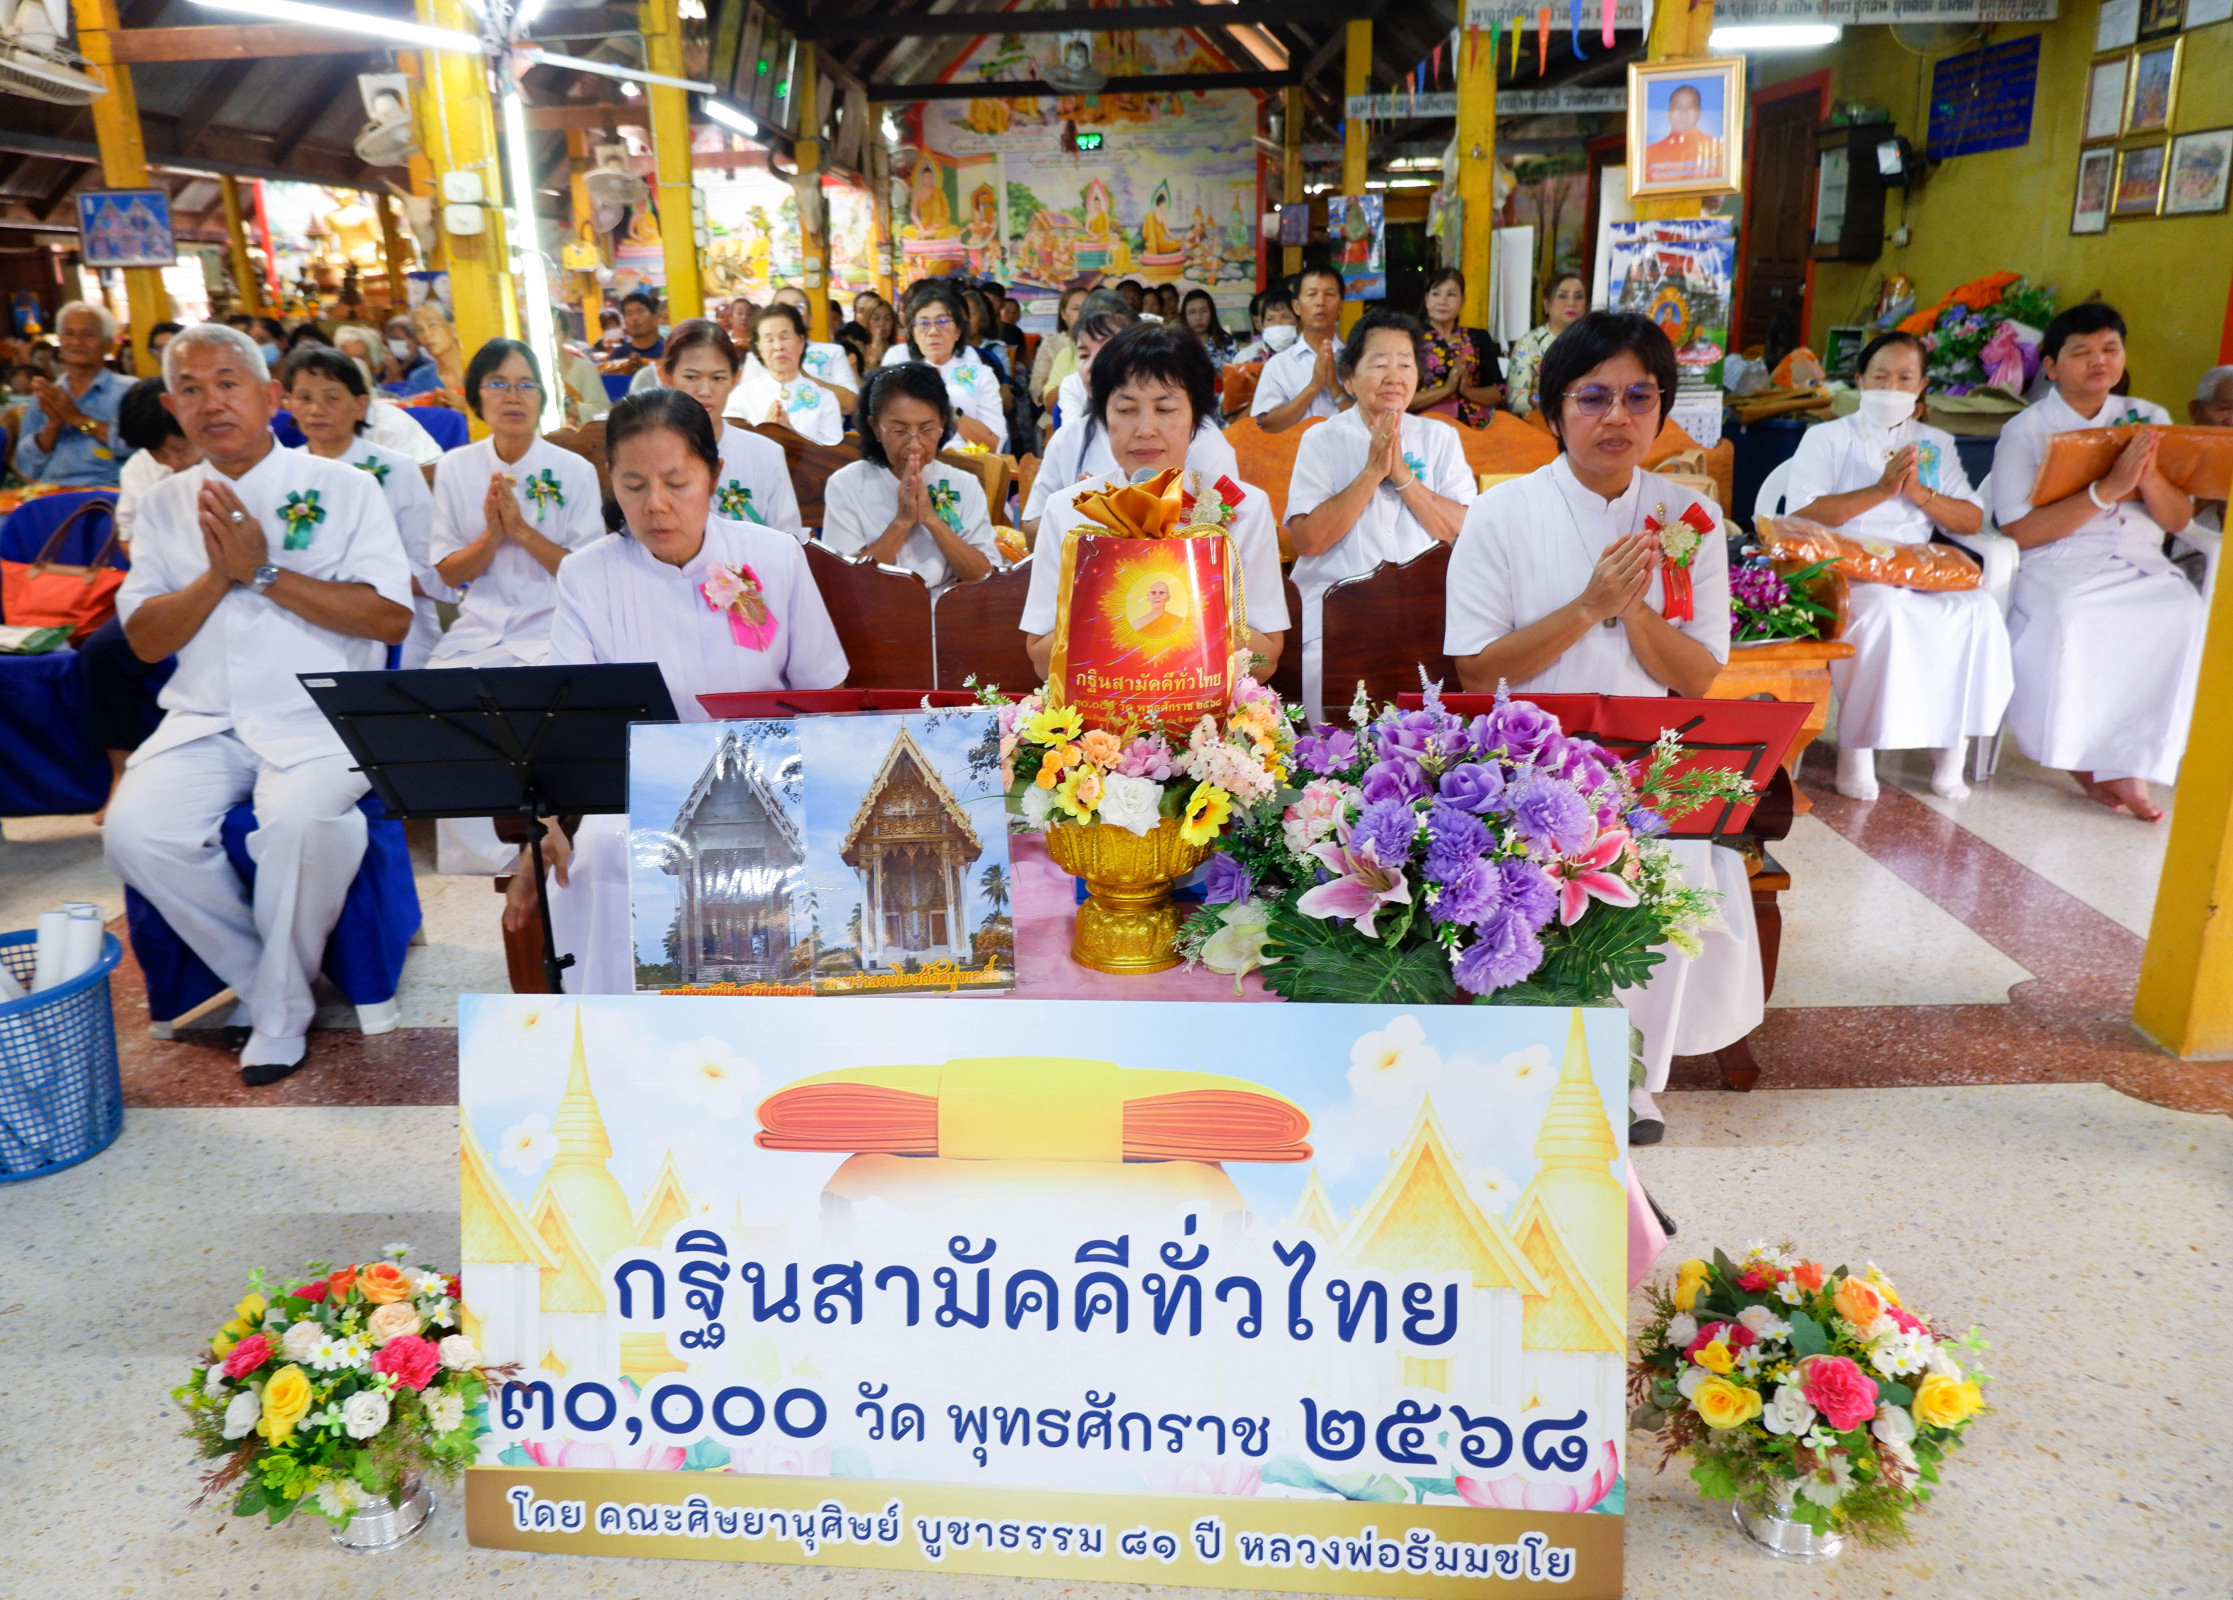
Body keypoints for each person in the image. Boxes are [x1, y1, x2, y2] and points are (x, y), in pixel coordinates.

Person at [1443, 310, 1749, 1143]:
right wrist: (1587, 607)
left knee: (1672, 863)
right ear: (1554, 412)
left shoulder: (1688, 521)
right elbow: (1476, 670)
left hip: (1649, 761)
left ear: (1660, 409)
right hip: (1524, 763)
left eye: (1638, 397)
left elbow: (1696, 675)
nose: (1616, 417)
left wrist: (1630, 610)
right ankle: (1528, 1059)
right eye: (1593, 397)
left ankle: (1634, 1082)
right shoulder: (1500, 514)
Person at [103, 323, 413, 1084]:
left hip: (324, 716)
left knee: (304, 822)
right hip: (205, 719)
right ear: (172, 407)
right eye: (192, 389)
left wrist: (263, 572)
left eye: (227, 383)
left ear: (269, 397)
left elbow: (389, 618)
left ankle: (275, 1013)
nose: (211, 403)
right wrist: (217, 577)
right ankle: (270, 984)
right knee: (136, 833)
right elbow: (143, 639)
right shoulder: (169, 505)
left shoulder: (347, 487)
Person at [505, 388, 848, 993]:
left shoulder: (773, 557)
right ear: (611, 481)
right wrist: (550, 824)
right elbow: (565, 725)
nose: (656, 506)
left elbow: (825, 695)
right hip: (636, 797)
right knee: (603, 853)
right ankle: (616, 1038)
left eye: (676, 483)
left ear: (713, 475)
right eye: (633, 486)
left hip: (766, 788)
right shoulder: (587, 575)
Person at [1990, 303, 2204, 821]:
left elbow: (2178, 520)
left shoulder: (2150, 419)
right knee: (2070, 617)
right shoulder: (2026, 429)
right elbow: (2019, 530)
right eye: (2081, 352)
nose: (2098, 361)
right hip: (2057, 564)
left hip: (2139, 563)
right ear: (2051, 365)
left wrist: (2147, 475)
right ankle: (2080, 759)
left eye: (2109, 349)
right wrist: (2106, 490)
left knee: (2184, 614)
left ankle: (2130, 763)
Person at [1785, 331, 2010, 800]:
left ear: (1921, 386)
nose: (1892, 386)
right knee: (1884, 612)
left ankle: (1951, 749)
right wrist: (1880, 491)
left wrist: (1920, 494)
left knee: (1976, 612)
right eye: (1881, 376)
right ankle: (1858, 749)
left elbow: (1970, 517)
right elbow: (1798, 516)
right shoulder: (1825, 437)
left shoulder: (1935, 444)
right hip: (1846, 567)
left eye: (1905, 377)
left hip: (1917, 565)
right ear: (1859, 381)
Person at [1023, 322, 1288, 682]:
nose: (1146, 428)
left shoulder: (1242, 509)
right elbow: (1041, 658)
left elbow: (1265, 659)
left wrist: (1173, 614)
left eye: (1165, 410)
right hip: (1099, 721)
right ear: (1104, 415)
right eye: (1127, 409)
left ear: (1196, 416)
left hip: (1208, 722)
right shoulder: (1071, 510)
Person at [1285, 310, 1475, 720]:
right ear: (1349, 378)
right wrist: (1372, 471)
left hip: (1425, 618)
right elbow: (1308, 541)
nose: (1395, 375)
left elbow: (1461, 531)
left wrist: (1402, 475)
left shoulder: (1440, 438)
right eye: (1380, 363)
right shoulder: (1321, 439)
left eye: (1405, 364)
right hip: (1336, 621)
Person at [427, 338, 605, 670]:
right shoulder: (455, 467)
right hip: (477, 631)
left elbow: (588, 574)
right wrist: (491, 537)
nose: (513, 396)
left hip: (554, 627)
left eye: (526, 385)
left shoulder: (574, 471)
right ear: (476, 395)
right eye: (497, 384)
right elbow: (450, 575)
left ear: (541, 397)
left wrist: (521, 531)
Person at [281, 345, 450, 669]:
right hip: (302, 624)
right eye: (304, 398)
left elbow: (433, 571)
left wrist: (352, 585)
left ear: (360, 405)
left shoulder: (396, 470)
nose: (317, 409)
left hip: (393, 624)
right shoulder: (281, 474)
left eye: (332, 398)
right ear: (287, 403)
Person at [79, 377, 200, 820]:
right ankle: (122, 772)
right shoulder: (140, 471)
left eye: (178, 447)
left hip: (239, 583)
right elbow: (129, 543)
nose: (170, 460)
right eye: (157, 452)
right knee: (101, 653)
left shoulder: (233, 456)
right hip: (171, 588)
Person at [1024, 308, 1238, 539]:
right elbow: (1039, 525)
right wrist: (1087, 521)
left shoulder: (1205, 443)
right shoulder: (1070, 440)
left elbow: (1229, 524)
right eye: (1084, 355)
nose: (1145, 430)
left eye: (1164, 409)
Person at [822, 363, 998, 598]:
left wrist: (931, 520)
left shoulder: (963, 484)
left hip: (945, 612)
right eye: (899, 430)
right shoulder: (846, 484)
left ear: (943, 424)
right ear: (875, 427)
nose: (914, 444)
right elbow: (845, 584)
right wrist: (902, 522)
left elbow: (986, 577)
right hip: (873, 613)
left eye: (926, 429)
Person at [659, 318, 805, 537]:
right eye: (691, 377)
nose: (705, 390)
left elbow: (789, 539)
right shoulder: (647, 453)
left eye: (718, 378)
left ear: (735, 379)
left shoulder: (766, 455)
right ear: (666, 377)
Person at [16, 300, 133, 488]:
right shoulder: (47, 395)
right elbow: (26, 465)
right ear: (60, 342)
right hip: (50, 492)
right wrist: (54, 425)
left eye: (88, 334)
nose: (77, 342)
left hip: (106, 493)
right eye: (69, 334)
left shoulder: (129, 391)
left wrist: (80, 420)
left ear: (108, 344)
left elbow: (136, 446)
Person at [882, 280, 1004, 449]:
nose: (933, 332)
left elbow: (995, 443)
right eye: (924, 323)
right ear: (914, 335)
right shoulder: (901, 378)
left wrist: (946, 409)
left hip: (967, 468)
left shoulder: (982, 375)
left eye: (942, 322)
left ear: (958, 331)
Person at [730, 302, 844, 447]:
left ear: (801, 342)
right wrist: (766, 434)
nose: (778, 347)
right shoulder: (741, 396)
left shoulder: (824, 398)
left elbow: (834, 458)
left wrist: (791, 436)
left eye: (784, 338)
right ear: (758, 348)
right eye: (769, 340)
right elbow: (732, 450)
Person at [1250, 265, 1345, 433]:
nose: (1320, 302)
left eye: (1329, 294)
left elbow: (1371, 420)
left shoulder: (1355, 360)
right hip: (1294, 457)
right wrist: (1313, 387)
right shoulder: (1278, 365)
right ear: (1296, 306)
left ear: (1340, 306)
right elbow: (1265, 425)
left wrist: (1336, 389)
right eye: (1311, 294)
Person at [1413, 267, 1506, 427]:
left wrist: (1467, 391)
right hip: (1427, 427)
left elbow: (1498, 392)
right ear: (1427, 299)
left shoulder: (1478, 338)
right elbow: (1400, 400)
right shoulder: (1410, 339)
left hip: (1476, 427)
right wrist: (1447, 389)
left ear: (1463, 300)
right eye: (1436, 294)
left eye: (1451, 294)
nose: (1442, 301)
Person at [2175, 364, 2232, 595]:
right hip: (2169, 577)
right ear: (2195, 410)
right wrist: (2206, 494)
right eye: (2225, 408)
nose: (2231, 421)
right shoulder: (2165, 457)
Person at [1506, 271, 1589, 418]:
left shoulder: (1593, 343)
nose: (1571, 303)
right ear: (1546, 304)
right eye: (1562, 296)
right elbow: (1515, 401)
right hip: (1539, 424)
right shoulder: (1529, 344)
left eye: (1578, 297)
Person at [767, 284, 859, 406]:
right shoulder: (759, 355)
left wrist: (804, 378)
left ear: (809, 318)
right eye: (782, 308)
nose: (791, 314)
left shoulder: (833, 352)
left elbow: (851, 404)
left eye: (798, 307)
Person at [1644, 85, 1723, 186]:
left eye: (1690, 107)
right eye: (1677, 107)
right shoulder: (1649, 154)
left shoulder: (1717, 151)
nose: (1683, 112)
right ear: (1668, 113)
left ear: (1699, 113)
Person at [1032, 285, 1088, 410]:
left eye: (1087, 308)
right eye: (1076, 309)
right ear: (1063, 314)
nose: (1082, 314)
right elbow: (1038, 390)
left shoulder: (1103, 345)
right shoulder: (1053, 344)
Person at [1231, 289, 1300, 365]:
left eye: (1285, 317)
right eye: (1270, 319)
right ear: (1261, 324)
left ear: (1298, 321)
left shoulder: (1310, 354)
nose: (1277, 324)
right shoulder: (1246, 358)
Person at [1180, 289, 1235, 374]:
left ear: (1211, 313)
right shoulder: (1177, 344)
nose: (1198, 317)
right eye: (1192, 312)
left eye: (1204, 311)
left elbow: (1237, 378)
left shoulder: (1227, 342)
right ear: (1185, 316)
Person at [605, 292, 666, 364]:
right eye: (629, 314)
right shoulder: (617, 356)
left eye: (641, 311)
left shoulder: (667, 351)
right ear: (625, 323)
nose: (635, 318)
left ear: (654, 318)